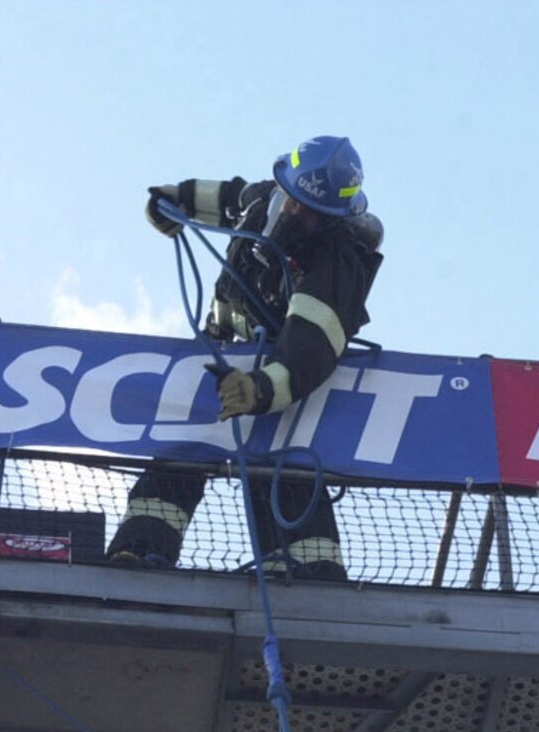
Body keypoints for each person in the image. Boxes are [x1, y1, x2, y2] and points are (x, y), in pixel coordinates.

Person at [105, 135, 384, 582]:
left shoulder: (336, 263)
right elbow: (228, 197)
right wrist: (175, 199)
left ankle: (308, 577)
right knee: (178, 452)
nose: (295, 215)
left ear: (332, 218)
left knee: (283, 473)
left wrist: (258, 389)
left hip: (282, 391)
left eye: (310, 214)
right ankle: (138, 553)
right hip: (219, 361)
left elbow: (308, 350)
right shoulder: (262, 200)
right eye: (292, 202)